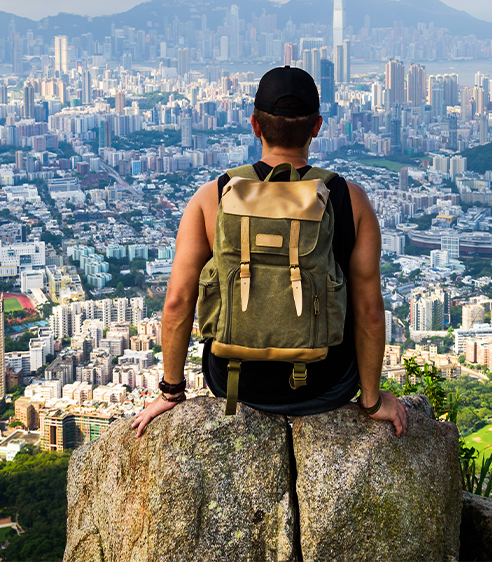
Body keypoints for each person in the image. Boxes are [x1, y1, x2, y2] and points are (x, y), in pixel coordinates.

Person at [132, 65, 407, 437]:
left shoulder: (214, 197)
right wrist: (372, 401)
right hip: (326, 385)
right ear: (317, 127)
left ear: (255, 125)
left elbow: (178, 301)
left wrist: (171, 390)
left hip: (237, 384)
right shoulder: (350, 200)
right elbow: (370, 313)